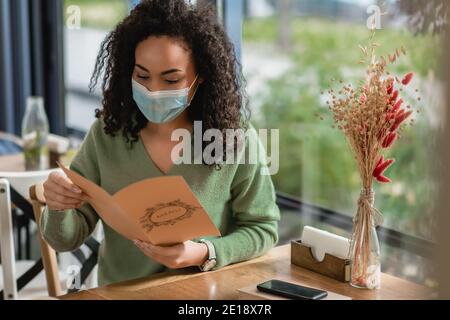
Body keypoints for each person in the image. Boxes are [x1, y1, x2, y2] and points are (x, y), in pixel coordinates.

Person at [41, 0, 280, 286]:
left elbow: (263, 228)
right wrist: (57, 205)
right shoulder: (107, 134)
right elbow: (64, 240)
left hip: (203, 297)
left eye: (171, 79)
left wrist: (205, 252)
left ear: (201, 76)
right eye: (142, 76)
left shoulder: (233, 138)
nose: (153, 90)